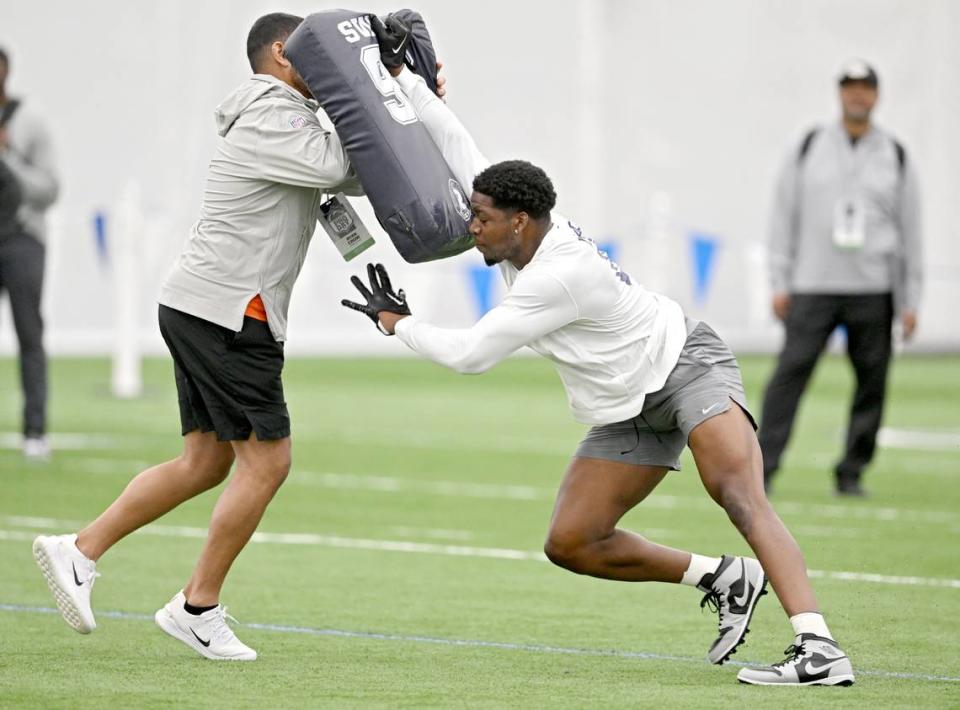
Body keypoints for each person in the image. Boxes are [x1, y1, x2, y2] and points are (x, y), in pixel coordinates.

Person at [342, 66, 854, 686]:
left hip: (685, 365)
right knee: (573, 541)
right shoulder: (521, 225)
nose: (469, 225)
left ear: (520, 222)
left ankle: (818, 649)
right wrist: (406, 82)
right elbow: (456, 144)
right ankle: (721, 577)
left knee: (738, 494)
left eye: (481, 217)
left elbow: (471, 355)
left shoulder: (555, 275)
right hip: (625, 404)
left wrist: (399, 324)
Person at [31, 13, 444, 662]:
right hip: (229, 309)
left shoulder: (289, 114)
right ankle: (196, 606)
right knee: (268, 462)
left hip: (212, 305)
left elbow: (363, 169)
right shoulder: (267, 109)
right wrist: (382, 92)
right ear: (283, 53)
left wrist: (403, 93)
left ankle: (79, 551)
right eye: (319, 51)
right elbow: (343, 164)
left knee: (205, 462)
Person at [759, 59, 923, 497]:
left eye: (865, 88)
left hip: (874, 286)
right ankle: (762, 466)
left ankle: (852, 470)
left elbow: (911, 231)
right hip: (813, 283)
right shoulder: (809, 145)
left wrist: (910, 299)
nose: (858, 95)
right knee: (789, 375)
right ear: (839, 94)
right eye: (850, 87)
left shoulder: (895, 153)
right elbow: (782, 217)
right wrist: (779, 280)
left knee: (872, 382)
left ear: (876, 94)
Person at [0, 46, 59, 460]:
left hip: (22, 238)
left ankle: (34, 430)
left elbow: (50, 189)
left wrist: (7, 156)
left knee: (29, 335)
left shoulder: (29, 122)